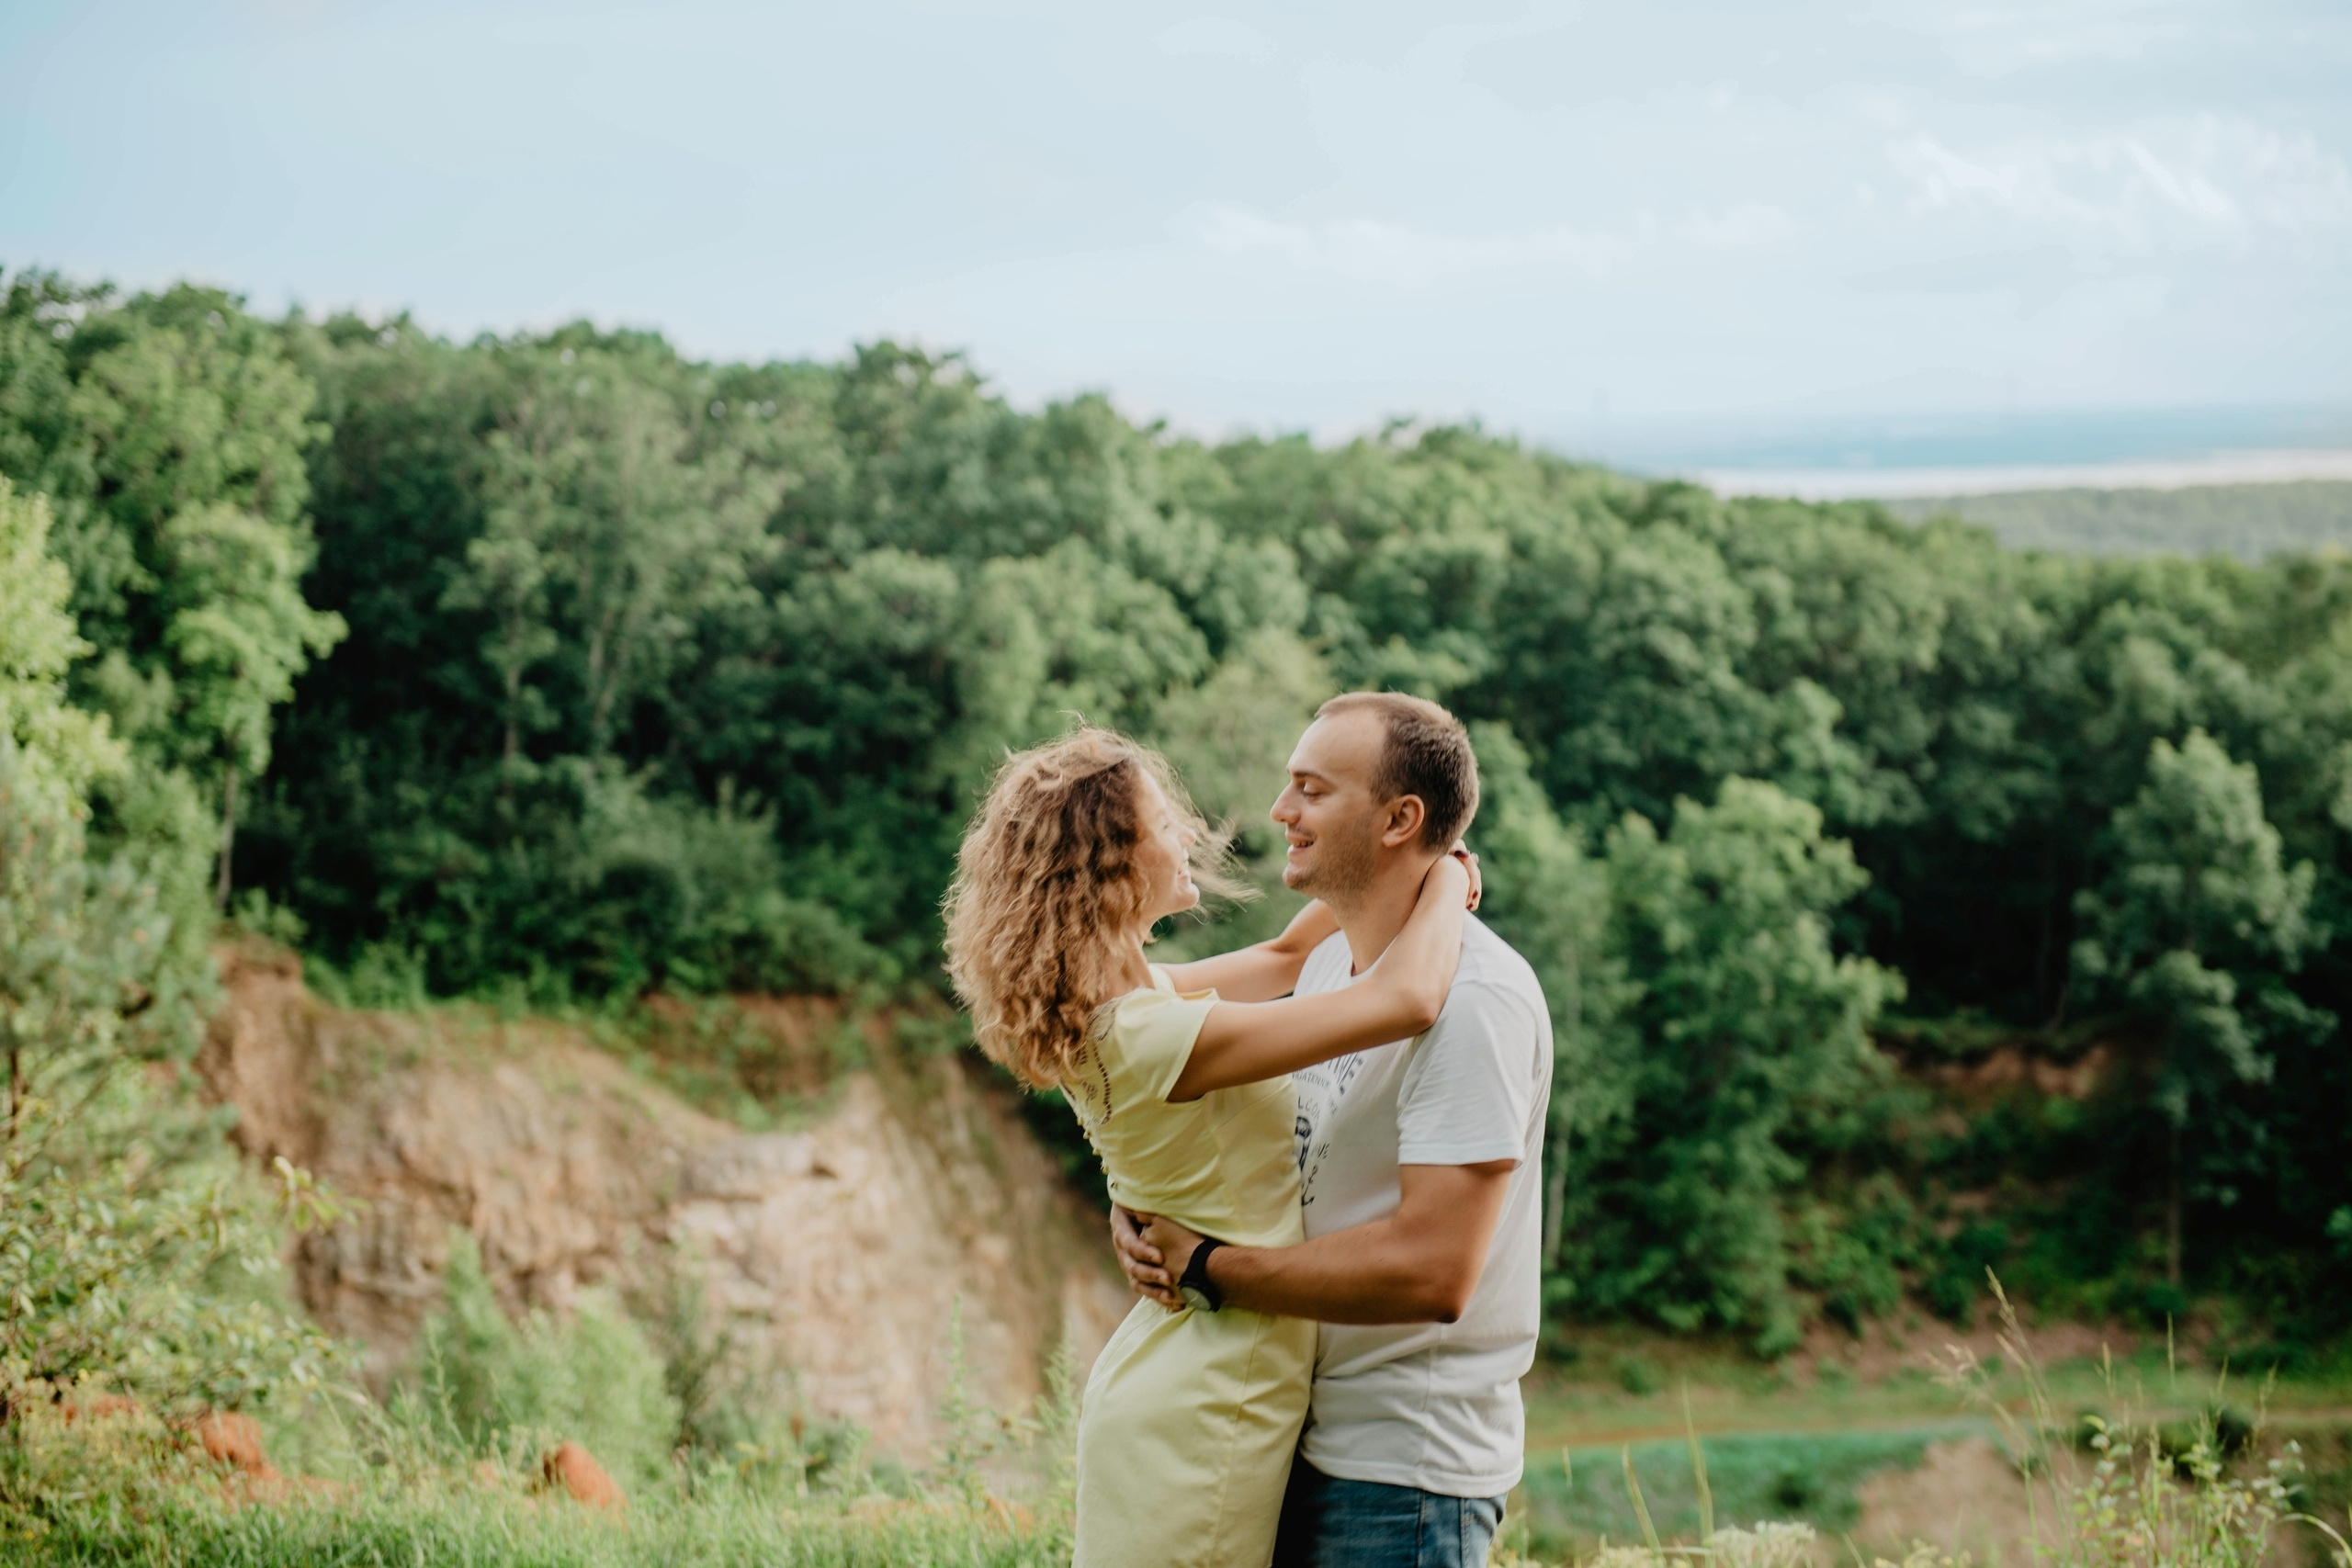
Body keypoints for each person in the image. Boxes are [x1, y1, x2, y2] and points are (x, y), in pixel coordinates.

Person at [942, 725, 1476, 1568]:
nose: (1189, 833)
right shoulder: (1153, 1033)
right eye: (1164, 823)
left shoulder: (1125, 1001)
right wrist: (1445, 873)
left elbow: (1288, 953)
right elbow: (1407, 996)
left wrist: (1404, 858)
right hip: (1210, 1398)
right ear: (1109, 864)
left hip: (1176, 1371)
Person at [1114, 693, 1553, 1568]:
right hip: (1294, 1438)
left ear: (1400, 819)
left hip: (1401, 1474)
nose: (1281, 811)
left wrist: (1206, 1266)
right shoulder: (1323, 960)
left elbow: (1435, 1271)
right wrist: (1142, 1208)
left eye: (1312, 789)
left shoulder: (1475, 1002)